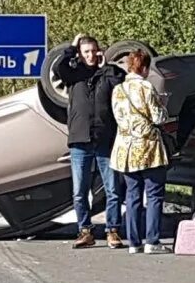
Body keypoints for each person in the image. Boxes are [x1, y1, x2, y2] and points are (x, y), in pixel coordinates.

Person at [51, 33, 124, 249]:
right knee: (79, 191)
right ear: (80, 55)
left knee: (112, 189)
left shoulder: (107, 75)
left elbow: (120, 81)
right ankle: (85, 231)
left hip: (104, 138)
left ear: (99, 52)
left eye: (93, 51)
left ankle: (113, 231)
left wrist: (106, 65)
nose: (91, 55)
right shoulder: (73, 76)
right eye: (86, 52)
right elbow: (58, 69)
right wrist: (72, 47)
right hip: (80, 139)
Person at [110, 49, 172, 254]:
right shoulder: (147, 87)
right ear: (144, 68)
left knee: (132, 196)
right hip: (148, 148)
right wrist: (164, 106)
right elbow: (158, 118)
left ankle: (133, 243)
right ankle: (152, 241)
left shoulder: (118, 89)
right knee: (154, 194)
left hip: (124, 150)